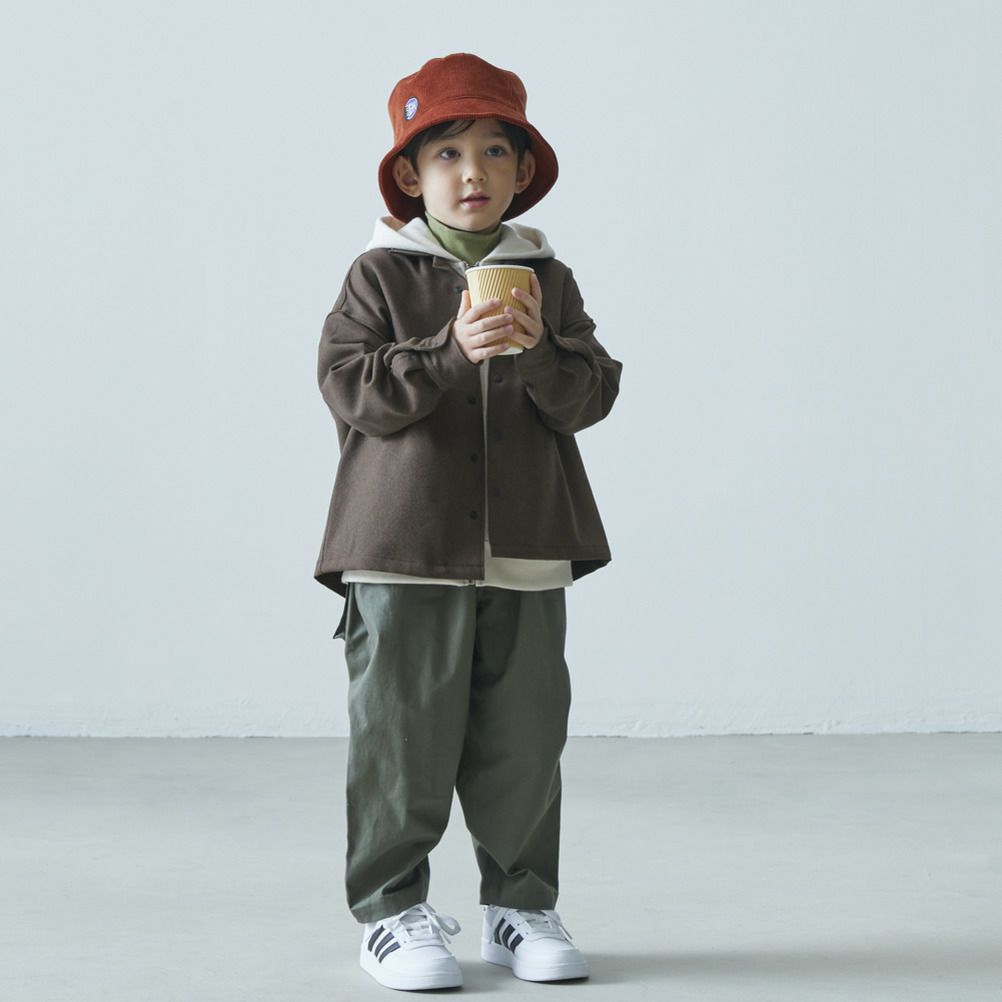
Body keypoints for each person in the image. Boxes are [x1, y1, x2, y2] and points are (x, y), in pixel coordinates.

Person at [313, 52, 623, 992]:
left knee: (524, 742)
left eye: (495, 150)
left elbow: (592, 394)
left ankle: (519, 908)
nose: (473, 171)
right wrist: (448, 351)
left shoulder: (547, 278)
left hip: (527, 551)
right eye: (446, 153)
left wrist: (537, 356)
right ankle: (391, 914)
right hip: (402, 551)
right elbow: (351, 388)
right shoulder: (378, 276)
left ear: (523, 170)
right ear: (411, 177)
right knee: (401, 738)